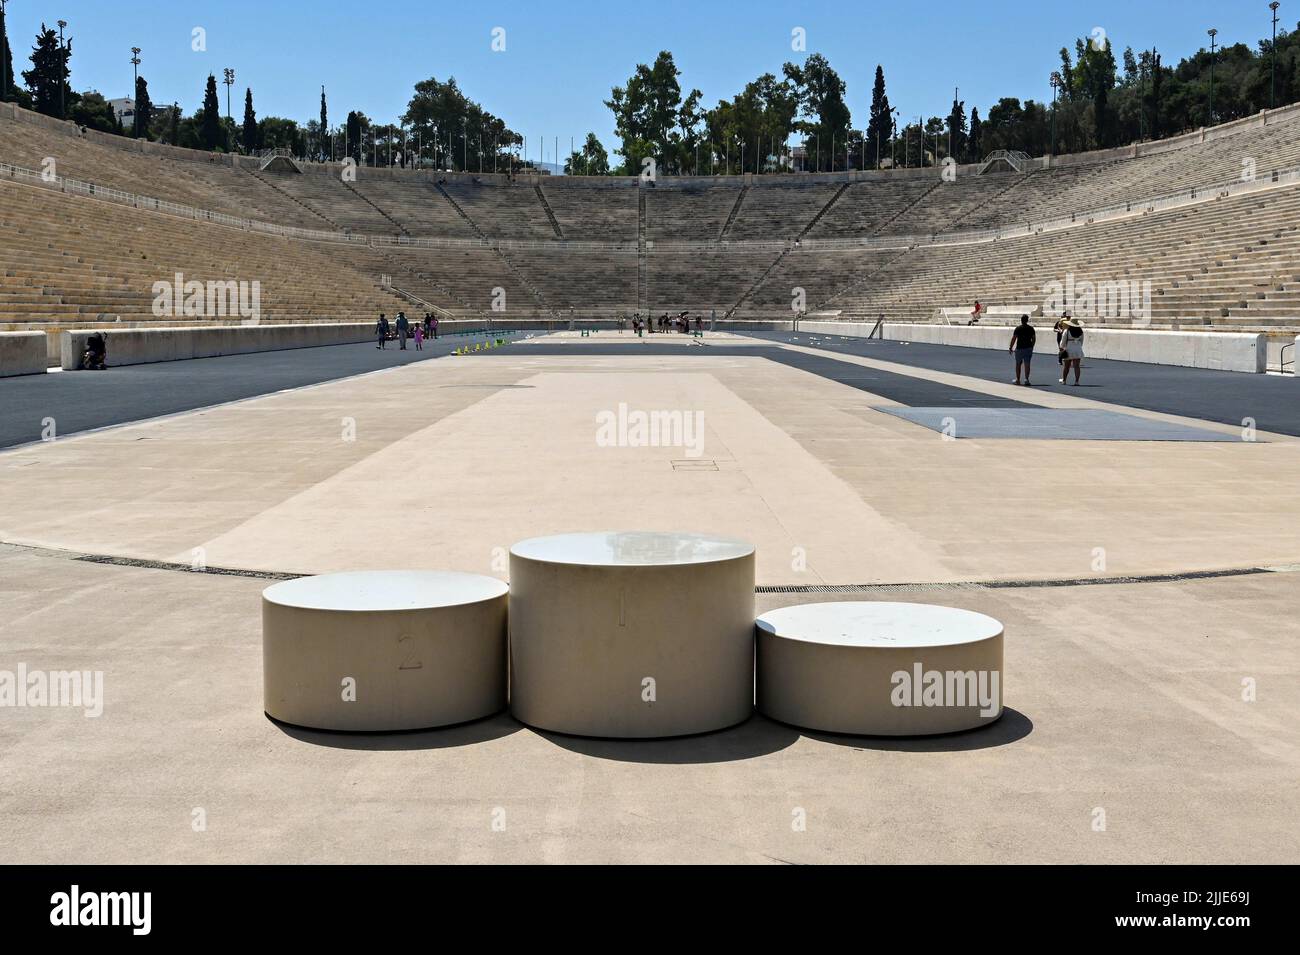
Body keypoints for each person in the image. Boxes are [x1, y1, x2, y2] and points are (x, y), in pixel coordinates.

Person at [1008, 315, 1036, 386]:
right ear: (1027, 320)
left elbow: (1014, 338)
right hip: (1028, 348)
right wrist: (1031, 346)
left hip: (1019, 348)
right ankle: (1026, 379)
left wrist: (1010, 347)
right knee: (1027, 364)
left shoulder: (1018, 328)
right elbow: (1034, 338)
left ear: (1021, 320)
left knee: (1018, 364)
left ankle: (1018, 380)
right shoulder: (1031, 328)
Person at [1060, 317, 1085, 385]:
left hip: (1069, 349)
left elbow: (1063, 342)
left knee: (1066, 366)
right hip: (1077, 349)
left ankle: (1064, 380)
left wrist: (1062, 347)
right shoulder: (1081, 332)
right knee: (1076, 366)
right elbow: (1082, 342)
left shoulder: (1067, 331)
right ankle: (1077, 381)